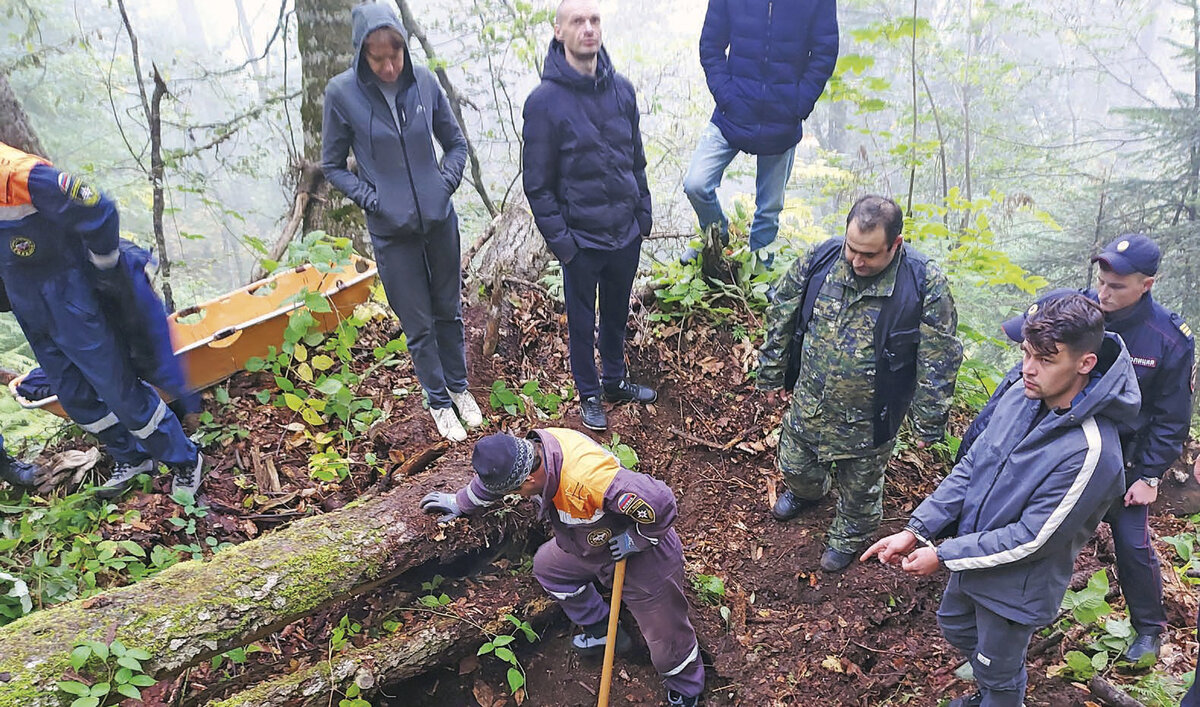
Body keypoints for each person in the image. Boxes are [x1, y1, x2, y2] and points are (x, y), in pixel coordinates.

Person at [862, 294, 1139, 707]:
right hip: (975, 558)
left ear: (1085, 364)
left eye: (1046, 360)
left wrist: (944, 555)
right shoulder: (1023, 396)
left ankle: (1002, 696)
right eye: (1027, 353)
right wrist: (917, 529)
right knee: (955, 624)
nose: (1028, 369)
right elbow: (974, 464)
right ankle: (995, 691)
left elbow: (1034, 539)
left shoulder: (1092, 451)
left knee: (997, 665)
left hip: (1017, 586)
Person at [965, 235, 1194, 664]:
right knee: (1019, 525)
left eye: (1117, 287)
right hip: (1056, 449)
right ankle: (996, 626)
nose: (1104, 293)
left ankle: (1148, 630)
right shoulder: (1077, 313)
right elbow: (1026, 365)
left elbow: (1171, 416)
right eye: (1102, 281)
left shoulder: (1167, 337)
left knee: (1132, 543)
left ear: (1147, 284)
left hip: (1122, 461)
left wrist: (1148, 476)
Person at [420, 430, 705, 707]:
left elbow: (662, 502)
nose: (516, 496)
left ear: (529, 480)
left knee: (666, 639)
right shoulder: (528, 454)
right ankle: (604, 630)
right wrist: (460, 502)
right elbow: (496, 481)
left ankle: (686, 688)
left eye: (516, 492)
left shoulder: (589, 479)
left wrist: (636, 539)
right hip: (587, 545)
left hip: (644, 559)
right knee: (548, 568)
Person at [756, 195, 962, 572]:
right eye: (852, 248)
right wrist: (771, 372)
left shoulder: (922, 282)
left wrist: (928, 421)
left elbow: (940, 354)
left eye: (869, 254)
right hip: (811, 402)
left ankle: (848, 534)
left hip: (872, 416)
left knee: (860, 488)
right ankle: (809, 492)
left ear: (895, 244)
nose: (857, 261)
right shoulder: (822, 258)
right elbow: (782, 310)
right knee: (795, 465)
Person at [0, 141, 202, 497]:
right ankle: (132, 457)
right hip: (28, 305)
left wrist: (106, 266)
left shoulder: (19, 176)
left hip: (69, 295)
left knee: (117, 387)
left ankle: (184, 460)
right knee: (74, 395)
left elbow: (97, 206)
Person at [321, 2, 483, 443]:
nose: (390, 66)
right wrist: (372, 200)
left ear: (404, 48)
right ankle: (438, 401)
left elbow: (455, 145)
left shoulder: (425, 82)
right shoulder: (342, 94)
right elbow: (332, 165)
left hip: (439, 221)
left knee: (448, 310)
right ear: (362, 55)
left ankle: (459, 388)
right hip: (391, 233)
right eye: (378, 58)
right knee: (418, 322)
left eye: (395, 54)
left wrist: (442, 186)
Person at [522, 0, 657, 433]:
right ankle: (590, 394)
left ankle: (615, 380)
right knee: (581, 323)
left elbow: (636, 158)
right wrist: (565, 245)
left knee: (616, 312)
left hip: (625, 231)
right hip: (581, 240)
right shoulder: (543, 102)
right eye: (577, 21)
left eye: (594, 20)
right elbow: (537, 185)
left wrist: (643, 214)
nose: (588, 28)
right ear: (559, 31)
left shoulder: (623, 90)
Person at [680, 0, 839, 265]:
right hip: (732, 110)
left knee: (769, 210)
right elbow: (710, 45)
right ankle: (716, 234)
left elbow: (825, 53)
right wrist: (726, 95)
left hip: (783, 116)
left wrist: (799, 104)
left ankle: (758, 276)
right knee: (696, 184)